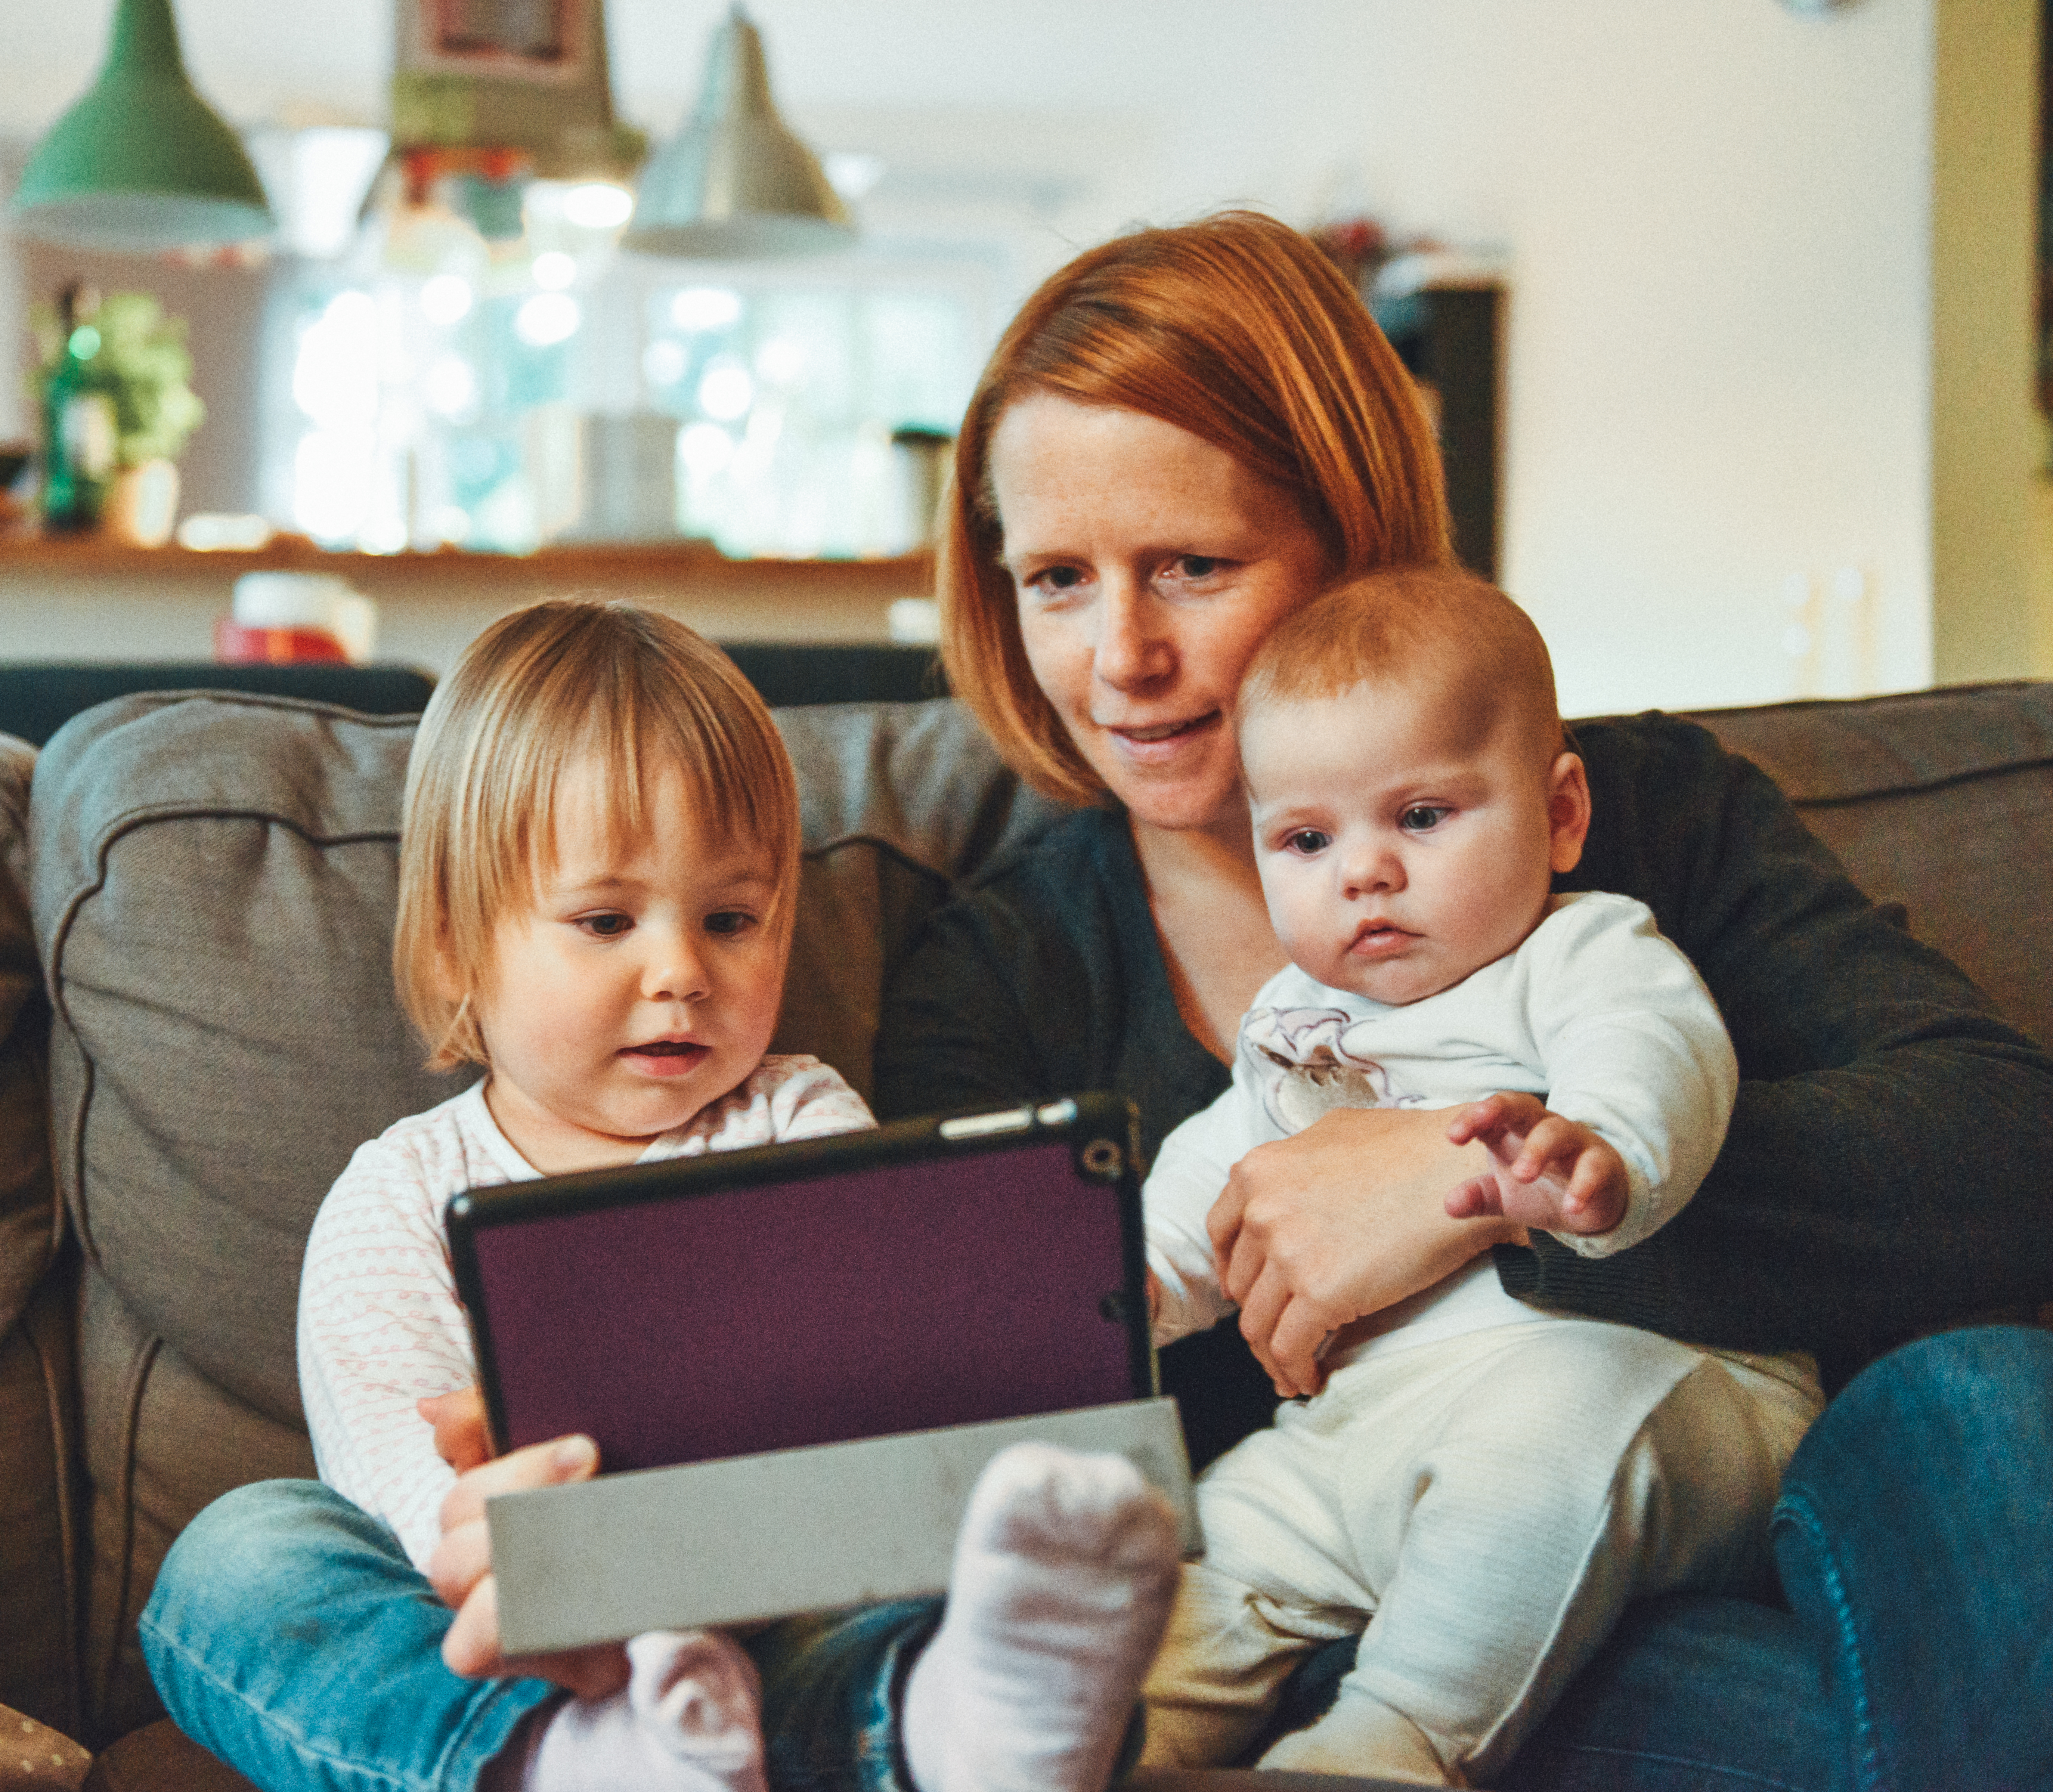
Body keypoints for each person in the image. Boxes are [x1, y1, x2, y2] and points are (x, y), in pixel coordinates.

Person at [876, 210, 2053, 1786]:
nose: (1122, 658)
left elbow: (2003, 1152)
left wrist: (1475, 1179)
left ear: (1353, 540)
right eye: (1058, 582)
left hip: (1701, 1541)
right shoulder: (1001, 970)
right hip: (1312, 1617)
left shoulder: (1635, 817)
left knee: (1991, 1401)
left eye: (1192, 569)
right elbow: (981, 1409)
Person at [139, 598, 1185, 1792]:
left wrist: (1031, 1319)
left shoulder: (799, 1119)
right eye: (605, 921)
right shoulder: (398, 1194)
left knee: (970, 1572)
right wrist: (550, 1567)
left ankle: (957, 1730)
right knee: (239, 1557)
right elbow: (403, 1494)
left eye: (731, 919)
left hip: (781, 1609)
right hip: (522, 1644)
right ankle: (574, 1762)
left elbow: (882, 1386)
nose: (683, 972)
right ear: (452, 949)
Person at [1128, 566, 1819, 1783]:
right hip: (1361, 1430)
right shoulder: (1297, 1016)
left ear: (1558, 814)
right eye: (1305, 838)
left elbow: (1654, 1049)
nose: (1363, 873)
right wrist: (1128, 1284)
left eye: (1422, 817)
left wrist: (1599, 1150)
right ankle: (1102, 1743)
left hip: (1640, 1392)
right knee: (1212, 1538)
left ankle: (1386, 1746)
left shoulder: (1578, 947)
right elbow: (1219, 1167)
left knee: (1538, 1444)